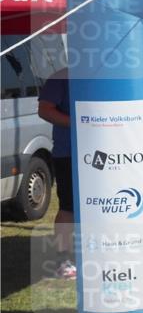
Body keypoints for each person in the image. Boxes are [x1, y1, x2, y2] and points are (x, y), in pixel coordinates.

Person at [38, 68, 76, 279]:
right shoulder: (61, 77)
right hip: (69, 153)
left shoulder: (109, 74)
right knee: (69, 207)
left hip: (107, 152)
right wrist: (78, 123)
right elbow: (45, 110)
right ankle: (64, 260)